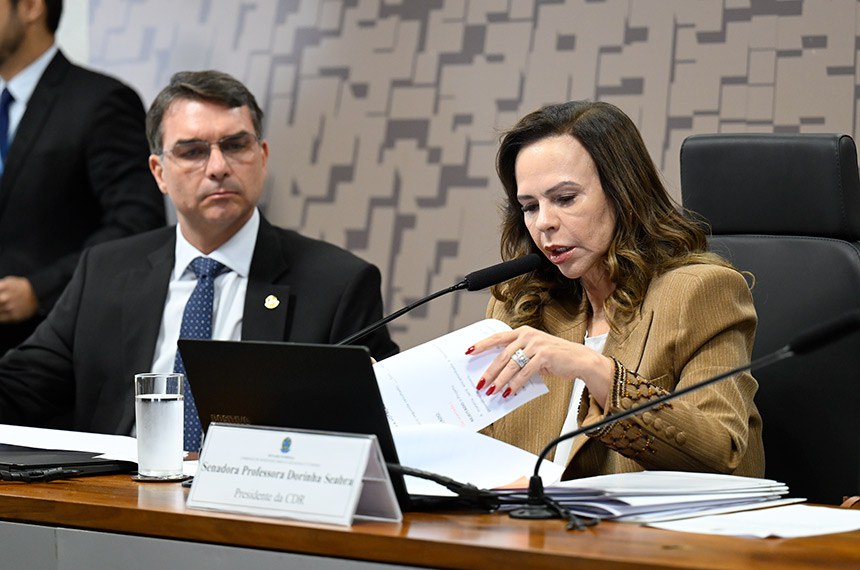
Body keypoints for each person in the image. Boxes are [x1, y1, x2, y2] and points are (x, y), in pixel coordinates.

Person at [0, 69, 398, 439]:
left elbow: (390, 417)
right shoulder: (105, 271)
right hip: (117, 501)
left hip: (255, 504)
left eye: (235, 145)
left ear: (262, 156)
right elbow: (20, 390)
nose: (218, 167)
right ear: (159, 172)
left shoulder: (336, 285)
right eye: (192, 152)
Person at [468, 100, 764, 479]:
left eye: (564, 199)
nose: (543, 223)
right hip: (524, 530)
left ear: (622, 194)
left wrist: (597, 371)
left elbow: (723, 454)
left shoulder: (700, 293)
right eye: (529, 206)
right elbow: (477, 448)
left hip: (653, 535)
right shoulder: (518, 304)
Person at [0, 0, 166, 354]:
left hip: (54, 349)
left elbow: (137, 223)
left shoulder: (100, 101)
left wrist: (39, 290)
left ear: (30, 7)